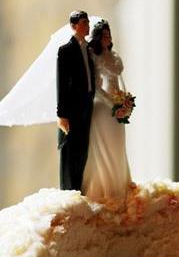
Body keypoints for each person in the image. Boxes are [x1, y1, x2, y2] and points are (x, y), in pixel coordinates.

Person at [81, 20, 131, 200]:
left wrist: (125, 101)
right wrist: (112, 104)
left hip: (117, 100)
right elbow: (96, 87)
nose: (107, 37)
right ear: (98, 37)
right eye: (103, 35)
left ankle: (120, 183)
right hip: (103, 106)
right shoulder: (95, 56)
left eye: (108, 34)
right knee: (106, 146)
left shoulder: (114, 55)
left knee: (118, 143)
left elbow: (120, 80)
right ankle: (105, 188)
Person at [56, 11, 96, 191]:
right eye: (83, 23)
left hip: (87, 104)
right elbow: (62, 84)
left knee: (82, 148)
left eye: (87, 23)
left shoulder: (89, 49)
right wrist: (62, 114)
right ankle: (68, 189)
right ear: (74, 26)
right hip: (72, 108)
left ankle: (79, 188)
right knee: (70, 150)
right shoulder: (66, 50)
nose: (87, 26)